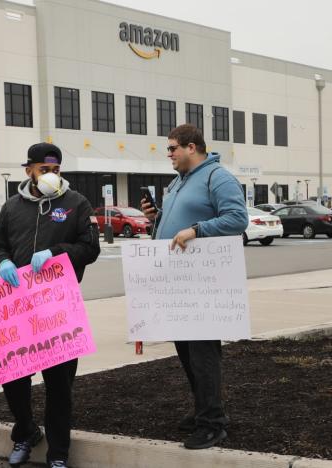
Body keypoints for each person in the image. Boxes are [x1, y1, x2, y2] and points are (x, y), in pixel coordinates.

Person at [0, 142, 101, 468]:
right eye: (43, 170)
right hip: (19, 310)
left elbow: (90, 248)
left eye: (54, 170)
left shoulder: (75, 204)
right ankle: (25, 432)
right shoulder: (12, 207)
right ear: (29, 171)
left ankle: (58, 453)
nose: (49, 176)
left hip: (58, 310)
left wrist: (55, 253)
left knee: (59, 387)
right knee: (14, 380)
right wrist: (3, 262)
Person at [142, 124, 248, 450]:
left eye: (173, 148)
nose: (169, 154)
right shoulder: (177, 182)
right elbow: (174, 227)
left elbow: (237, 219)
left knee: (203, 354)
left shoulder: (219, 178)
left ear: (192, 147)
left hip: (203, 284)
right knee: (187, 353)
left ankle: (213, 423)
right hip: (177, 283)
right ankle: (204, 409)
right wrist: (155, 219)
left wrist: (197, 230)